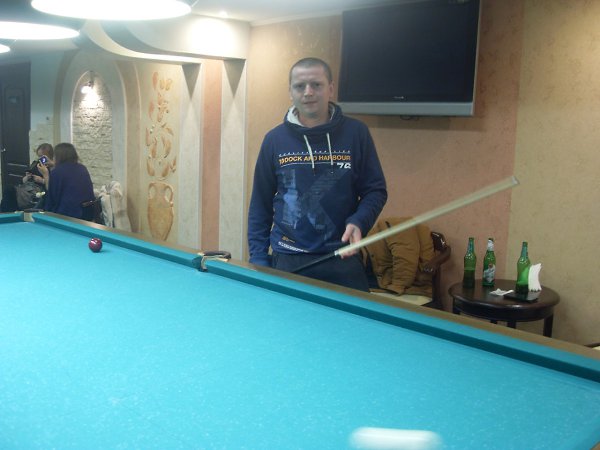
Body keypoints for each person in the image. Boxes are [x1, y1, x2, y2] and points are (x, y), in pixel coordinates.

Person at [248, 57, 387, 291]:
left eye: (316, 84)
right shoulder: (274, 140)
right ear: (290, 92)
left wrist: (359, 221)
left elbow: (376, 191)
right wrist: (259, 259)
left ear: (330, 88)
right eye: (300, 86)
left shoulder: (356, 133)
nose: (308, 92)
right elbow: (260, 205)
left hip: (343, 256)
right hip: (288, 258)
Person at [38, 142, 95, 220]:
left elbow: (51, 197)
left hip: (67, 214)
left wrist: (46, 175)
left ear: (58, 157)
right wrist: (53, 164)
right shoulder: (82, 168)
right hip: (87, 213)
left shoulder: (57, 172)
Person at [0, 143, 54, 212]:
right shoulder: (36, 163)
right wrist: (26, 177)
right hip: (27, 186)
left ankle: (5, 213)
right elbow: (23, 179)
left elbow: (51, 186)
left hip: (37, 191)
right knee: (9, 190)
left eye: (42, 157)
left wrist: (42, 180)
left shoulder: (52, 168)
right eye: (39, 156)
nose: (40, 159)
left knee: (10, 192)